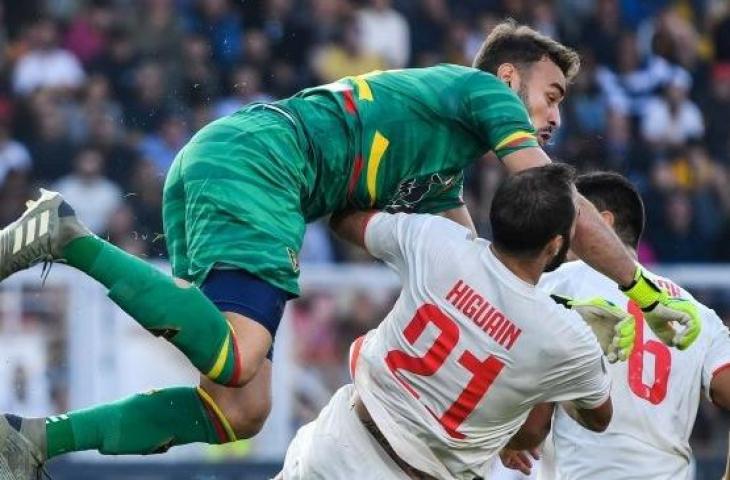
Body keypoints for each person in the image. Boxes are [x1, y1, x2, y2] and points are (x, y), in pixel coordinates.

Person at [0, 20, 698, 476]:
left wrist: (529, 370)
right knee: (241, 354)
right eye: (550, 96)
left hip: (241, 163)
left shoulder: (438, 172)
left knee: (242, 407)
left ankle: (36, 439)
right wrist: (641, 290)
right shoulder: (483, 92)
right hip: (267, 164)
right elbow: (558, 198)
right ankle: (71, 236)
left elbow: (483, 277)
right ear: (509, 80)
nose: (552, 116)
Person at [279, 164, 634, 479]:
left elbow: (347, 222)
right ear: (555, 244)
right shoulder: (566, 337)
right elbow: (597, 418)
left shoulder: (436, 241)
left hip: (334, 443)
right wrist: (566, 368)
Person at [499, 172, 730, 480]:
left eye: (570, 222)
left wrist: (509, 436)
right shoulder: (696, 313)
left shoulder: (558, 283)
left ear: (602, 222)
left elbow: (533, 426)